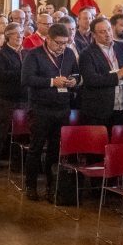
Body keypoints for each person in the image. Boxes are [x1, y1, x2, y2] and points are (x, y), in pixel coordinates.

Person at [22, 23, 79, 201]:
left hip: (62, 108)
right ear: (47, 39)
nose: (62, 47)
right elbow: (27, 79)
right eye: (58, 43)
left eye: (65, 43)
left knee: (55, 150)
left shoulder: (69, 54)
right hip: (40, 108)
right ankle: (30, 186)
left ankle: (51, 186)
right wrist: (52, 82)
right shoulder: (34, 55)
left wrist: (73, 82)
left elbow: (76, 74)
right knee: (36, 148)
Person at [0, 23, 28, 179]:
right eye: (16, 33)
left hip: (24, 99)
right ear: (8, 35)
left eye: (21, 33)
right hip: (6, 99)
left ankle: (17, 164)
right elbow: (2, 75)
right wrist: (24, 73)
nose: (19, 36)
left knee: (21, 133)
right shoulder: (2, 54)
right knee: (0, 132)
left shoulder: (26, 53)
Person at [78, 18, 123, 128]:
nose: (108, 34)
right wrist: (118, 74)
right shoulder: (86, 54)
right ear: (94, 35)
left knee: (120, 143)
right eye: (102, 32)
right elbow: (91, 80)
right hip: (100, 110)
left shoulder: (121, 46)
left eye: (109, 29)